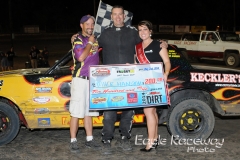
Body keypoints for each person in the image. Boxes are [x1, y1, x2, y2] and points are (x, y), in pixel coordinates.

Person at [71, 5, 167, 155]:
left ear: (124, 16)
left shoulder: (133, 33)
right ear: (111, 16)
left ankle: (125, 137)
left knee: (128, 112)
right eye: (114, 14)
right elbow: (88, 39)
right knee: (110, 112)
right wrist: (76, 35)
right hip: (110, 80)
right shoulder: (104, 34)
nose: (117, 17)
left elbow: (147, 39)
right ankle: (106, 139)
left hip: (130, 80)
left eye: (120, 14)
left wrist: (163, 42)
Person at [135, 20, 171, 152]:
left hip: (155, 82)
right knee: (152, 111)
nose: (142, 32)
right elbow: (137, 65)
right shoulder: (137, 47)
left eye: (145, 29)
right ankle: (154, 139)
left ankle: (150, 143)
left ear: (150, 31)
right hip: (143, 82)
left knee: (148, 111)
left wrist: (166, 73)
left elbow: (167, 62)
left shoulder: (159, 45)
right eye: (140, 30)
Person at [69, 15, 101, 153]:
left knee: (89, 112)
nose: (90, 26)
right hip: (80, 79)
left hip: (93, 81)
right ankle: (73, 141)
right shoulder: (78, 39)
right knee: (76, 112)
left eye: (92, 24)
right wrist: (90, 42)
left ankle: (89, 139)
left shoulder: (96, 39)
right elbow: (81, 57)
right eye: (87, 24)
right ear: (81, 25)